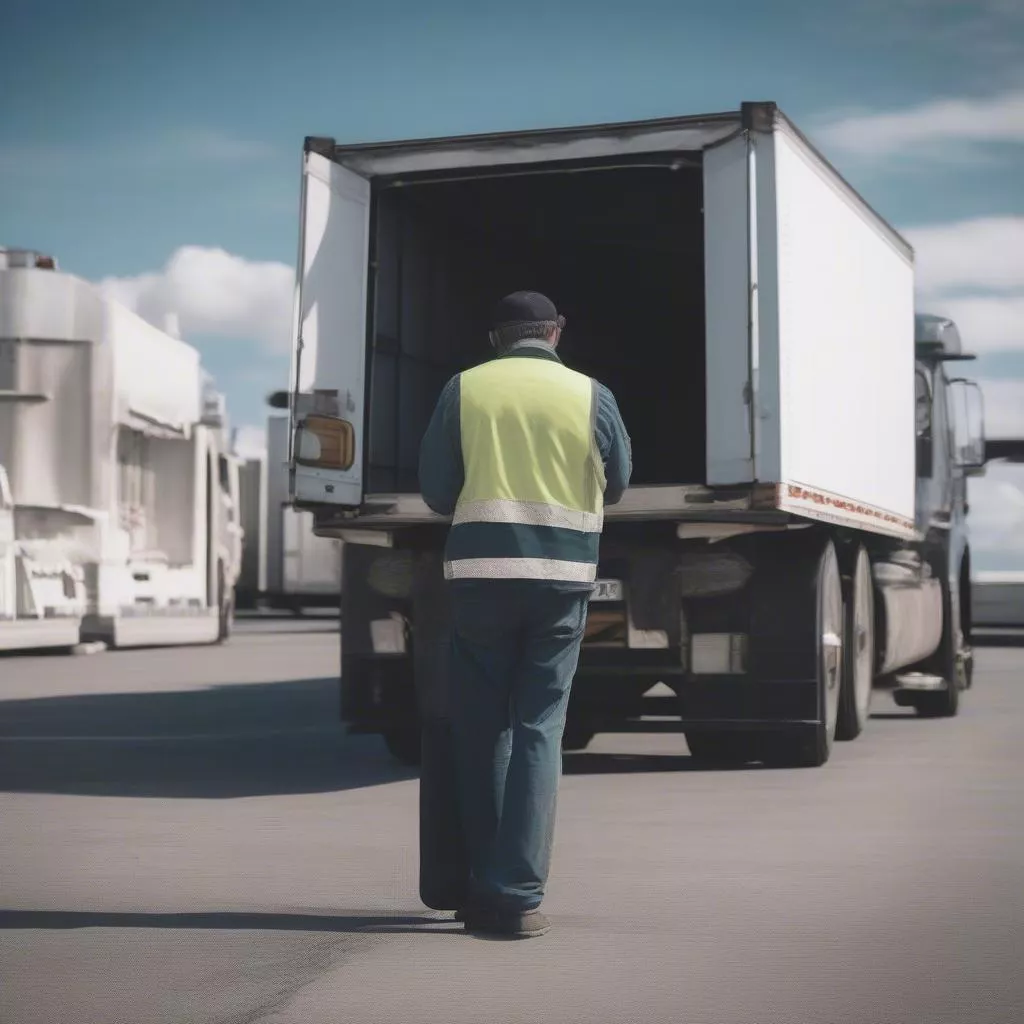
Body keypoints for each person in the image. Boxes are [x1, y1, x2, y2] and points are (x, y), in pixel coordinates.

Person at [418, 290, 632, 938]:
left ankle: (483, 883)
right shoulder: (592, 395)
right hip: (562, 583)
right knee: (539, 728)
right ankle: (516, 897)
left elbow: (435, 492)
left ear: (496, 339)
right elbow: (617, 482)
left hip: (482, 579)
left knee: (482, 731)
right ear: (556, 332)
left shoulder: (465, 388)